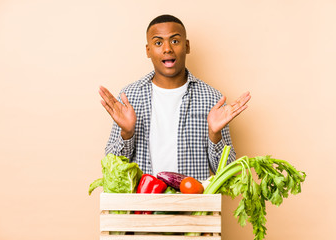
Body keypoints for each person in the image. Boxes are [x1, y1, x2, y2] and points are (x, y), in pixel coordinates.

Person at [99, 14, 251, 181]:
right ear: (148, 50)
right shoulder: (130, 97)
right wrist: (126, 133)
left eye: (175, 41)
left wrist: (215, 134)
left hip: (192, 206)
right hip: (143, 204)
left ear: (187, 46)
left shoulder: (212, 99)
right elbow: (113, 170)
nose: (167, 49)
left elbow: (226, 172)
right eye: (158, 43)